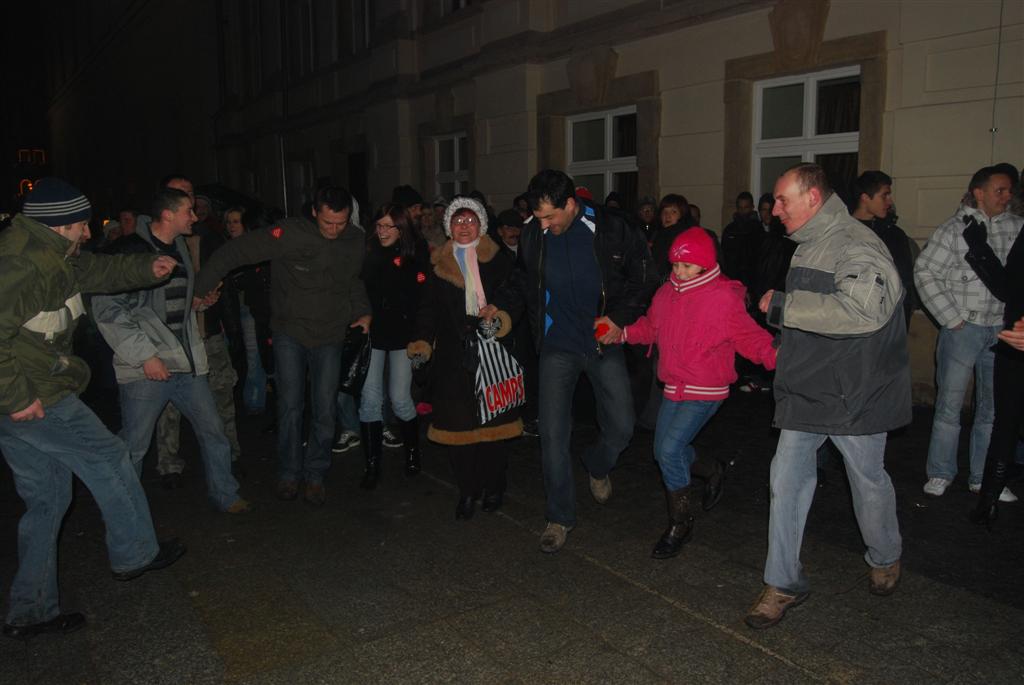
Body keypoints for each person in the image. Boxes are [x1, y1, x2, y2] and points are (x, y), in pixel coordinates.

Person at [0, 178, 186, 639]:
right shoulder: (25, 265)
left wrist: (149, 267)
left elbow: (96, 274)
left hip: (28, 395)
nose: (88, 231)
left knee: (47, 503)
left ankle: (31, 610)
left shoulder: (54, 255)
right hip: (36, 397)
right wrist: (18, 398)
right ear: (62, 225)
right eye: (82, 223)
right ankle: (135, 553)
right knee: (109, 457)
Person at [745, 164, 910, 629]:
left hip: (853, 392)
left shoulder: (854, 243)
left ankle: (885, 554)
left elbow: (864, 310)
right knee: (787, 481)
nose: (774, 211)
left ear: (813, 198)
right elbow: (822, 317)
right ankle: (783, 583)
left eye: (782, 201)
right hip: (810, 388)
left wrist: (783, 306)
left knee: (867, 478)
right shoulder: (811, 240)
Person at [193, 186, 370, 506]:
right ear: (315, 212)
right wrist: (203, 285)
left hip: (329, 334)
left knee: (325, 408)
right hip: (290, 333)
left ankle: (315, 474)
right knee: (290, 407)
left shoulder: (354, 239)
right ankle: (289, 473)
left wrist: (363, 310)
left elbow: (352, 279)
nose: (334, 230)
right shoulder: (289, 233)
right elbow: (235, 252)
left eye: (340, 223)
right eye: (328, 222)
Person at [516, 170, 658, 552]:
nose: (542, 225)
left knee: (623, 427)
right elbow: (527, 285)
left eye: (549, 217)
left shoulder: (613, 228)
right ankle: (559, 517)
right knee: (552, 435)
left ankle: (597, 464)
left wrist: (619, 318)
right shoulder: (533, 234)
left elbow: (645, 278)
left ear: (570, 204)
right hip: (557, 346)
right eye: (537, 217)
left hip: (601, 341)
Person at [621, 227, 776, 559]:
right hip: (673, 385)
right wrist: (621, 333)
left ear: (705, 265)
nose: (679, 272)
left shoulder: (722, 297)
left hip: (706, 387)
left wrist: (779, 356)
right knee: (667, 452)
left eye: (688, 266)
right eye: (676, 265)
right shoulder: (666, 294)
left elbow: (750, 337)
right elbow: (650, 327)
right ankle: (711, 468)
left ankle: (680, 522)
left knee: (667, 450)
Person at [92, 188, 249, 514]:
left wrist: (196, 304)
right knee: (134, 446)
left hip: (183, 362)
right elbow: (109, 311)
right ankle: (125, 515)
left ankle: (225, 494)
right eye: (188, 210)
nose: (195, 215)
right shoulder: (130, 250)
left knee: (214, 432)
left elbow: (167, 304)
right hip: (145, 370)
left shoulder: (178, 246)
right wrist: (145, 356)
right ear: (168, 215)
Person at [407, 196, 520, 519]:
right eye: (458, 221)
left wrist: (499, 317)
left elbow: (514, 294)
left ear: (482, 224)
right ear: (449, 227)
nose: (465, 226)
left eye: (471, 220)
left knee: (494, 428)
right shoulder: (438, 266)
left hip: (493, 352)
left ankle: (494, 487)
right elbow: (427, 311)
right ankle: (467, 491)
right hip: (454, 360)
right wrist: (421, 344)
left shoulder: (498, 260)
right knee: (458, 430)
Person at [914, 165, 1022, 501]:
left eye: (1009, 191)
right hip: (964, 329)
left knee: (992, 408)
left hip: (1001, 332)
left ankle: (983, 476)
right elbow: (925, 271)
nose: (1006, 197)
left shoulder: (1016, 227)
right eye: (999, 190)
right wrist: (952, 319)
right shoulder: (954, 230)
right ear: (979, 192)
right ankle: (941, 472)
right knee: (949, 404)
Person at [153, 175, 245, 488]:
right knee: (166, 404)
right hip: (169, 340)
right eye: (181, 196)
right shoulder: (150, 242)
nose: (190, 203)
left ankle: (229, 454)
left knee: (221, 393)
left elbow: (226, 280)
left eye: (191, 195)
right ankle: (168, 462)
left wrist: (228, 324)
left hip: (207, 331)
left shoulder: (208, 236)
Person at [358, 204, 429, 489]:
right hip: (371, 334)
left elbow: (422, 297)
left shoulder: (415, 255)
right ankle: (372, 463)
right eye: (380, 225)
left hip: (403, 336)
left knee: (400, 397)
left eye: (390, 226)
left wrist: (420, 335)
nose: (384, 231)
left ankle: (412, 453)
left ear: (402, 229)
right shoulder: (366, 254)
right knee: (370, 400)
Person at [964, 213, 1024, 524]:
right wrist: (980, 248)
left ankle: (987, 502)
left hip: (1014, 342)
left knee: (1006, 423)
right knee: (1005, 423)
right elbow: (1007, 287)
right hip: (1014, 345)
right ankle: (987, 502)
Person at [851, 171, 917, 328]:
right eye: (884, 195)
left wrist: (903, 316)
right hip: (854, 320)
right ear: (865, 197)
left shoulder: (894, 234)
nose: (889, 201)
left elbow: (904, 280)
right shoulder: (844, 232)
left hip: (890, 321)